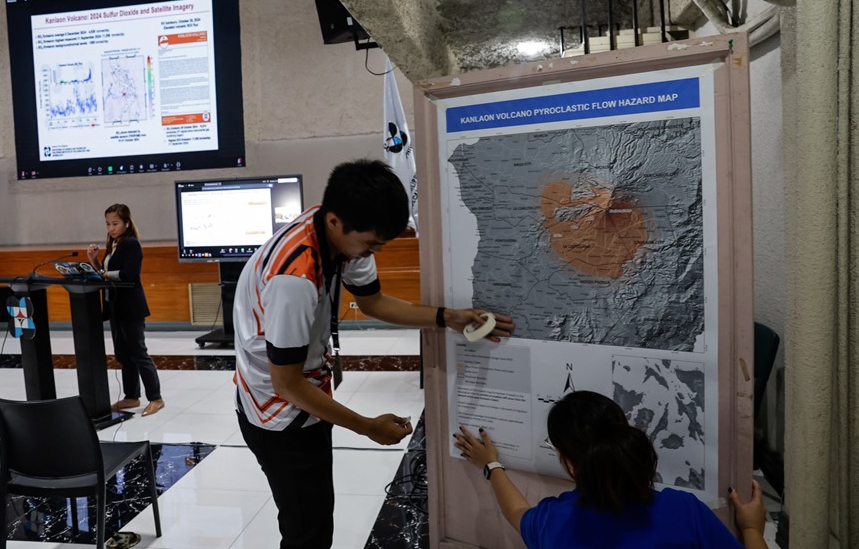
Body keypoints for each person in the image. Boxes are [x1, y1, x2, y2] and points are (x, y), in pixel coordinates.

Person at [233, 158, 515, 548]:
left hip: (302, 390)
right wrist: (367, 426)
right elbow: (287, 383)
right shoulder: (294, 278)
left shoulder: (335, 231)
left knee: (314, 520)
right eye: (370, 244)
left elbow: (374, 303)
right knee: (307, 532)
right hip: (278, 414)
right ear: (336, 222)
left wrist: (446, 317)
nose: (373, 252)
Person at [454, 390, 769, 549]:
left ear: (570, 464)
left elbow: (516, 512)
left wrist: (491, 464)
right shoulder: (684, 511)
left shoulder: (554, 523)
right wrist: (753, 529)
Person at [86, 203, 164, 417]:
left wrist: (103, 274)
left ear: (126, 223)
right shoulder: (113, 245)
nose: (111, 228)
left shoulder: (131, 244)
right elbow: (106, 273)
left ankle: (156, 398)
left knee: (138, 352)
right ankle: (131, 396)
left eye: (115, 223)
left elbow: (129, 275)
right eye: (108, 224)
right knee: (123, 354)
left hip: (130, 307)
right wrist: (93, 261)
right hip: (115, 308)